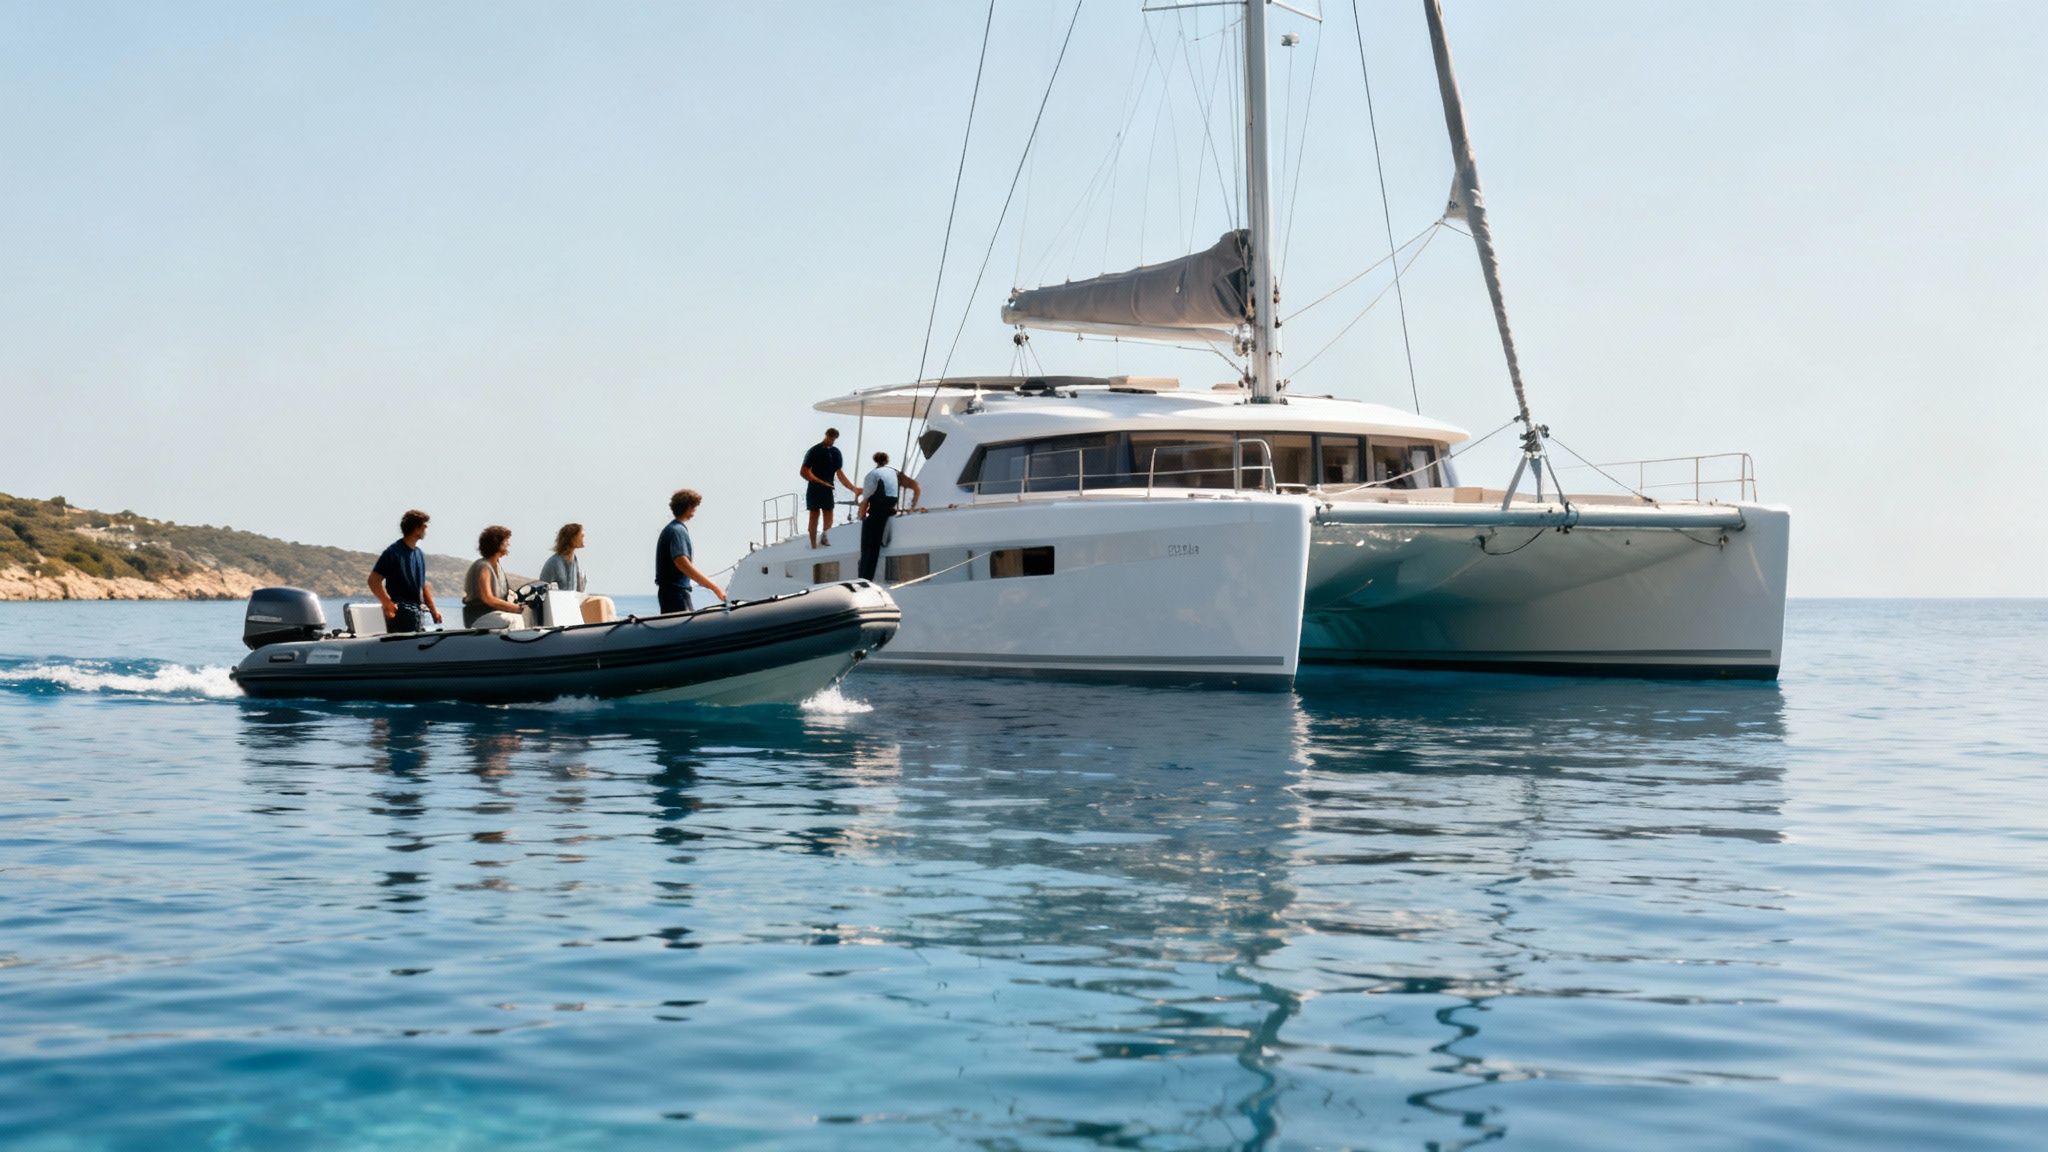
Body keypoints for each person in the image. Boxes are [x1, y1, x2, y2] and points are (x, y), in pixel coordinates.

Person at [368, 509, 443, 633]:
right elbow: (373, 581)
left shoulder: (419, 554)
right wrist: (388, 604)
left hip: (417, 612)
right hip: (401, 613)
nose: (426, 529)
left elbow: (423, 585)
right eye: (424, 525)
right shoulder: (393, 553)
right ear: (416, 528)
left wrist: (434, 611)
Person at [655, 489, 726, 614]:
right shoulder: (678, 531)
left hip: (668, 593)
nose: (695, 511)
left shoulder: (670, 529)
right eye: (694, 507)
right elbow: (682, 563)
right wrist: (715, 588)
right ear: (689, 507)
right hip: (677, 594)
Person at [857, 451, 921, 582]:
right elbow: (915, 487)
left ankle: (864, 579)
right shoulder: (896, 474)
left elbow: (866, 500)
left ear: (875, 461)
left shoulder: (872, 475)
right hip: (890, 511)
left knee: (868, 551)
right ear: (887, 461)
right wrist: (913, 505)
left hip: (876, 513)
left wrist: (861, 515)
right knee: (873, 549)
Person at [540, 522, 617, 624]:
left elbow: (576, 589)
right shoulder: (555, 562)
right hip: (561, 605)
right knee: (599, 602)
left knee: (607, 601)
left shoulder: (574, 559)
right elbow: (542, 588)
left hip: (573, 599)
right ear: (572, 538)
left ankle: (607, 631)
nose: (583, 538)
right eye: (581, 536)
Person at [800, 427, 856, 549]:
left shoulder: (835, 452)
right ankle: (813, 544)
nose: (831, 440)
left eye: (834, 439)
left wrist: (852, 488)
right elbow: (803, 471)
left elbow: (839, 473)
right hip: (814, 488)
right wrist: (819, 481)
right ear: (826, 436)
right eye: (830, 437)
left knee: (829, 514)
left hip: (828, 488)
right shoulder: (814, 450)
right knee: (814, 515)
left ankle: (825, 538)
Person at [463, 525, 526, 629]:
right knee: (514, 620)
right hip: (478, 617)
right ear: (497, 544)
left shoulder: (497, 566)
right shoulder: (483, 567)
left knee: (520, 617)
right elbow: (488, 598)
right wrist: (514, 608)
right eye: (505, 542)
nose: (508, 544)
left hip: (494, 615)